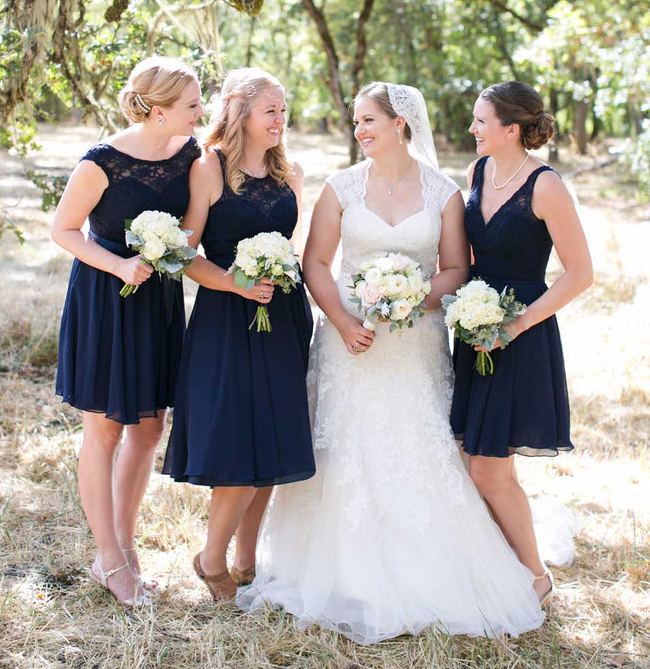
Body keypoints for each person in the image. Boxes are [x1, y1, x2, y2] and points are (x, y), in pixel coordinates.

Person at [238, 82, 545, 643]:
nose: (359, 131)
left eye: (368, 121)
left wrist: (410, 299)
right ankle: (341, 571)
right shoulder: (341, 187)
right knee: (348, 448)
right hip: (348, 341)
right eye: (356, 122)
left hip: (416, 342)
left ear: (400, 121)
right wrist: (345, 319)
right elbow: (318, 264)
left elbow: (454, 268)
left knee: (418, 446)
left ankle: (435, 568)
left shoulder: (445, 192)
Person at [52, 56, 203, 608]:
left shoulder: (190, 154)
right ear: (158, 110)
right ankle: (111, 559)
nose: (200, 113)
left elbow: (195, 224)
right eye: (191, 105)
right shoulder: (101, 161)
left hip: (158, 301)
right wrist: (118, 266)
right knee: (106, 431)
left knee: (147, 429)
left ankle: (123, 546)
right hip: (106, 300)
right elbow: (63, 229)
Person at [162, 68, 315, 602]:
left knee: (271, 445)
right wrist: (234, 283)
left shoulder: (290, 172)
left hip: (285, 317)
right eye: (270, 109)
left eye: (283, 109)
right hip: (228, 321)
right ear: (240, 113)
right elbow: (181, 253)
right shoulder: (209, 169)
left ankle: (248, 562)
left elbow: (300, 249)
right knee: (238, 449)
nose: (280, 119)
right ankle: (211, 559)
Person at [450, 81, 593, 604]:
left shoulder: (546, 186)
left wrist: (516, 325)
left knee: (489, 466)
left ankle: (534, 577)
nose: (472, 130)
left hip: (521, 333)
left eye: (480, 121)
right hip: (472, 330)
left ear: (511, 129)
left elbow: (580, 274)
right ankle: (499, 568)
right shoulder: (477, 172)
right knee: (474, 457)